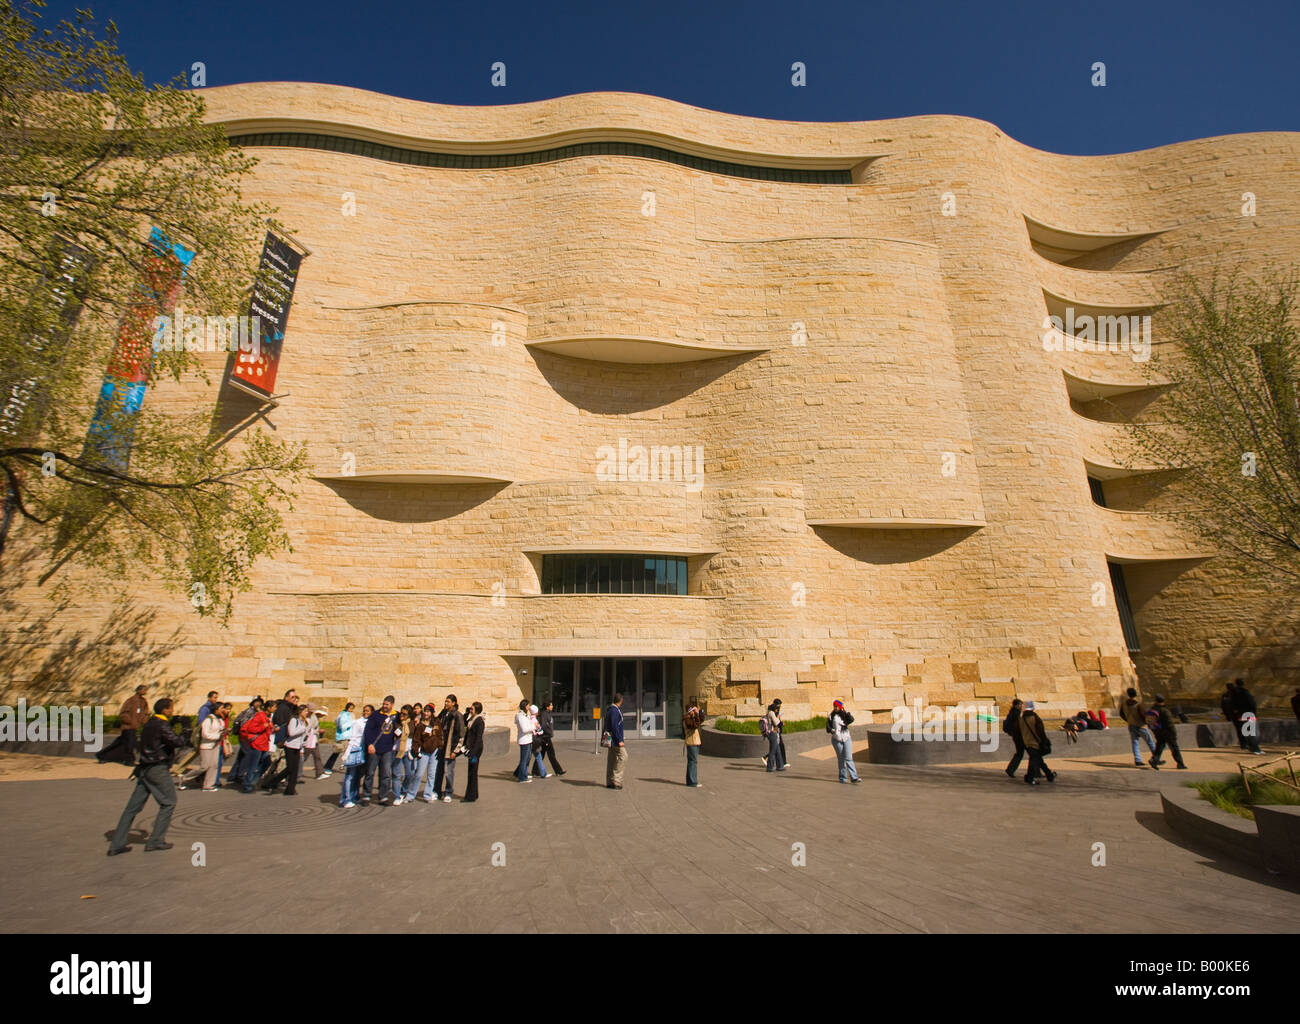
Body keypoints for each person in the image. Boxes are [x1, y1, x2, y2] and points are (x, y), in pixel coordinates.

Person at [106, 698, 184, 855]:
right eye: (171, 708)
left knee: (132, 808)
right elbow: (177, 742)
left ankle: (116, 844)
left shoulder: (149, 723)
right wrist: (186, 728)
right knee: (169, 802)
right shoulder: (162, 725)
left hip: (144, 768)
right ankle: (155, 841)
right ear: (165, 710)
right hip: (157, 768)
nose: (172, 711)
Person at [362, 695, 400, 806]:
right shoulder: (376, 715)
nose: (384, 706)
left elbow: (403, 723)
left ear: (392, 705)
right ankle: (366, 795)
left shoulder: (396, 715)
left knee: (385, 774)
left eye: (387, 704)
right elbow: (368, 730)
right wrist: (369, 744)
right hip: (375, 748)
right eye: (384, 704)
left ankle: (383, 796)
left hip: (387, 749)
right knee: (369, 772)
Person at [98, 685, 149, 766]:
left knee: (119, 743)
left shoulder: (143, 702)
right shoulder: (131, 700)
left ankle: (102, 755)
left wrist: (145, 722)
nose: (145, 691)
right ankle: (129, 760)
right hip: (128, 727)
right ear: (138, 690)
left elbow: (145, 713)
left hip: (135, 726)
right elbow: (123, 712)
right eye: (144, 690)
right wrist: (129, 721)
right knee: (130, 744)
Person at [239, 700, 277, 793]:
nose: (275, 709)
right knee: (253, 765)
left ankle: (253, 780)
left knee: (267, 762)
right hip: (257, 744)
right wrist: (263, 726)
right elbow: (251, 728)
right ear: (268, 707)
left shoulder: (268, 717)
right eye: (274, 707)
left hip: (264, 744)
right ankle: (247, 784)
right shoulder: (260, 715)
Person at [226, 697, 263, 787]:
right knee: (248, 755)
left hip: (245, 735)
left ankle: (233, 774)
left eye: (260, 703)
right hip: (245, 735)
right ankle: (240, 774)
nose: (258, 705)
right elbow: (244, 723)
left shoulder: (253, 711)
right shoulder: (250, 711)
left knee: (242, 755)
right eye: (257, 703)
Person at [434, 695, 465, 801]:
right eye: (445, 701)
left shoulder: (457, 715)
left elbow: (461, 734)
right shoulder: (443, 714)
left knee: (448, 771)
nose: (446, 703)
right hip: (442, 747)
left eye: (448, 702)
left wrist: (455, 751)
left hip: (450, 747)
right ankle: (436, 791)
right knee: (439, 771)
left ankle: (448, 792)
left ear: (453, 703)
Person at [405, 705, 439, 802]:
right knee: (419, 774)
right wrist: (415, 749)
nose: (426, 713)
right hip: (424, 751)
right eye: (425, 711)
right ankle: (411, 795)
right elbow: (416, 739)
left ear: (432, 713)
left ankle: (428, 794)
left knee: (431, 774)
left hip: (434, 751)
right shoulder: (420, 725)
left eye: (428, 712)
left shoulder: (437, 723)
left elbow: (440, 735)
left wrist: (439, 745)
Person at [1018, 700, 1056, 785]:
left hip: (1026, 742)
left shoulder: (1021, 719)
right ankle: (1030, 778)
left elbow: (1019, 732)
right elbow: (1040, 732)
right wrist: (1044, 741)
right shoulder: (1035, 718)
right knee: (1034, 761)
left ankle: (1049, 775)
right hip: (1036, 743)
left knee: (1038, 760)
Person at [1147, 694, 1187, 770]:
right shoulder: (1165, 711)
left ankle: (1154, 760)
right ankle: (1180, 764)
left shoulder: (1152, 709)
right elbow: (1170, 724)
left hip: (1157, 730)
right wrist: (1173, 733)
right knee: (1174, 747)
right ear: (1163, 700)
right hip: (1167, 731)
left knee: (1160, 745)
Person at [339, 708, 369, 808]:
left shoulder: (370, 723)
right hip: (355, 750)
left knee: (358, 776)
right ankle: (346, 799)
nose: (366, 712)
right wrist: (347, 753)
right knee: (350, 775)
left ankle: (354, 795)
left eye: (368, 711)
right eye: (364, 710)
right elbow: (353, 738)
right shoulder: (358, 722)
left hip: (363, 751)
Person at [1119, 687, 1156, 768]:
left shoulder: (1124, 704)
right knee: (1150, 742)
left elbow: (1121, 714)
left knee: (1135, 743)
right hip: (1140, 725)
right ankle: (1156, 757)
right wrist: (1147, 723)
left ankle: (1137, 760)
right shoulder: (1138, 704)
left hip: (1131, 725)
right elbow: (1143, 715)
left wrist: (1128, 720)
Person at [827, 699, 859, 783]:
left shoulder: (844, 714)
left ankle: (854, 777)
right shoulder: (831, 715)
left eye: (837, 706)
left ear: (840, 707)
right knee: (841, 759)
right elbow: (827, 728)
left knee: (849, 758)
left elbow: (851, 720)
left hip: (846, 738)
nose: (835, 708)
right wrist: (832, 730)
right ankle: (843, 777)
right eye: (834, 706)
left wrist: (845, 711)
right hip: (836, 739)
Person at [195, 705, 224, 791]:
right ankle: (185, 777)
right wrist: (218, 736)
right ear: (216, 710)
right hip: (206, 746)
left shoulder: (219, 720)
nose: (223, 710)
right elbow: (205, 734)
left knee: (214, 766)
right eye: (221, 708)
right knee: (204, 766)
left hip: (215, 745)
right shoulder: (208, 720)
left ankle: (208, 785)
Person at [1232, 679, 1265, 755]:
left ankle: (1251, 747)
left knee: (1246, 732)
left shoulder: (1233, 693)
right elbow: (1252, 704)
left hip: (1241, 714)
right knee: (1253, 732)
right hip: (1249, 713)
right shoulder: (1245, 692)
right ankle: (1255, 748)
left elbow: (1233, 704)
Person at [535, 699, 565, 776]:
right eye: (551, 705)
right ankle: (558, 770)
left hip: (546, 737)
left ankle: (535, 770)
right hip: (545, 737)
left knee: (541, 754)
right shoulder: (544, 714)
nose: (552, 706)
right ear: (547, 706)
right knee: (551, 754)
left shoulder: (548, 713)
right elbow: (543, 725)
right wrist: (549, 733)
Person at [463, 702, 485, 802]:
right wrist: (466, 714)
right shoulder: (471, 719)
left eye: (472, 709)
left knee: (472, 771)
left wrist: (473, 752)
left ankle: (470, 796)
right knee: (472, 771)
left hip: (475, 751)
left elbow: (478, 738)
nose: (470, 710)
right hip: (471, 749)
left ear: (477, 710)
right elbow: (464, 726)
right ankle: (474, 794)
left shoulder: (479, 721)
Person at [323, 703, 354, 775]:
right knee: (338, 753)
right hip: (343, 737)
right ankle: (328, 767)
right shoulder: (343, 715)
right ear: (347, 708)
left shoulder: (346, 715)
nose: (351, 710)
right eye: (351, 708)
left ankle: (330, 766)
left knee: (346, 753)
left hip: (346, 737)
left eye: (352, 709)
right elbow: (342, 726)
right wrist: (352, 723)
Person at [391, 706, 414, 803]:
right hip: (397, 750)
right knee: (396, 775)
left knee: (410, 774)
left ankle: (403, 791)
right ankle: (396, 796)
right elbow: (396, 734)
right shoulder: (396, 723)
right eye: (401, 713)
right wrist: (401, 726)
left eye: (404, 714)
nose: (402, 716)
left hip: (408, 751)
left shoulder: (412, 724)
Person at [605, 693, 627, 789]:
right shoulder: (614, 711)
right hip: (615, 740)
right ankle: (616, 780)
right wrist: (619, 740)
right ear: (620, 701)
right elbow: (615, 726)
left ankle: (609, 781)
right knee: (623, 756)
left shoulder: (610, 710)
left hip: (611, 740)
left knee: (612, 759)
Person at [1003, 698, 1025, 778]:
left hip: (1016, 736)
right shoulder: (1017, 714)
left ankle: (1010, 769)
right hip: (1020, 736)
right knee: (1032, 754)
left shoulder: (1012, 713)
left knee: (1020, 753)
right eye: (1020, 704)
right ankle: (1010, 769)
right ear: (1016, 705)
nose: (1021, 706)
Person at [683, 701, 703, 787]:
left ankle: (690, 781)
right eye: (693, 710)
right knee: (693, 762)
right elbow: (695, 725)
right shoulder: (687, 718)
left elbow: (701, 720)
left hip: (695, 742)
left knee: (692, 761)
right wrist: (695, 716)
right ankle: (692, 782)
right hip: (691, 742)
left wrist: (699, 713)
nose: (694, 712)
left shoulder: (691, 717)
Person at [514, 699, 535, 782]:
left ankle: (520, 773)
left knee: (528, 757)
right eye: (528, 705)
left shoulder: (525, 715)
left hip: (528, 739)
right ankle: (522, 777)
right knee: (524, 759)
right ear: (525, 706)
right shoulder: (521, 716)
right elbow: (524, 729)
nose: (529, 707)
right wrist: (534, 727)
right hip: (524, 740)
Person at [527, 704, 549, 780]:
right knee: (538, 757)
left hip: (530, 740)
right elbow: (540, 731)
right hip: (535, 741)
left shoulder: (528, 719)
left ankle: (521, 772)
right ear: (536, 712)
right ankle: (543, 773)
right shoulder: (535, 720)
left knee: (528, 757)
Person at [763, 701, 786, 773]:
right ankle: (769, 767)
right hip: (772, 733)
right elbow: (776, 722)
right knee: (772, 751)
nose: (777, 710)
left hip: (774, 733)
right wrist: (781, 721)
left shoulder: (770, 712)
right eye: (777, 709)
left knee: (778, 750)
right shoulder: (771, 713)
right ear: (774, 708)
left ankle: (780, 766)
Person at [1221, 682, 1243, 748]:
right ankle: (1244, 742)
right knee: (1241, 728)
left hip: (1232, 714)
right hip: (1238, 714)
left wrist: (1226, 714)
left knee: (1239, 729)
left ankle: (1243, 743)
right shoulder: (1238, 694)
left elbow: (1223, 705)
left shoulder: (1226, 695)